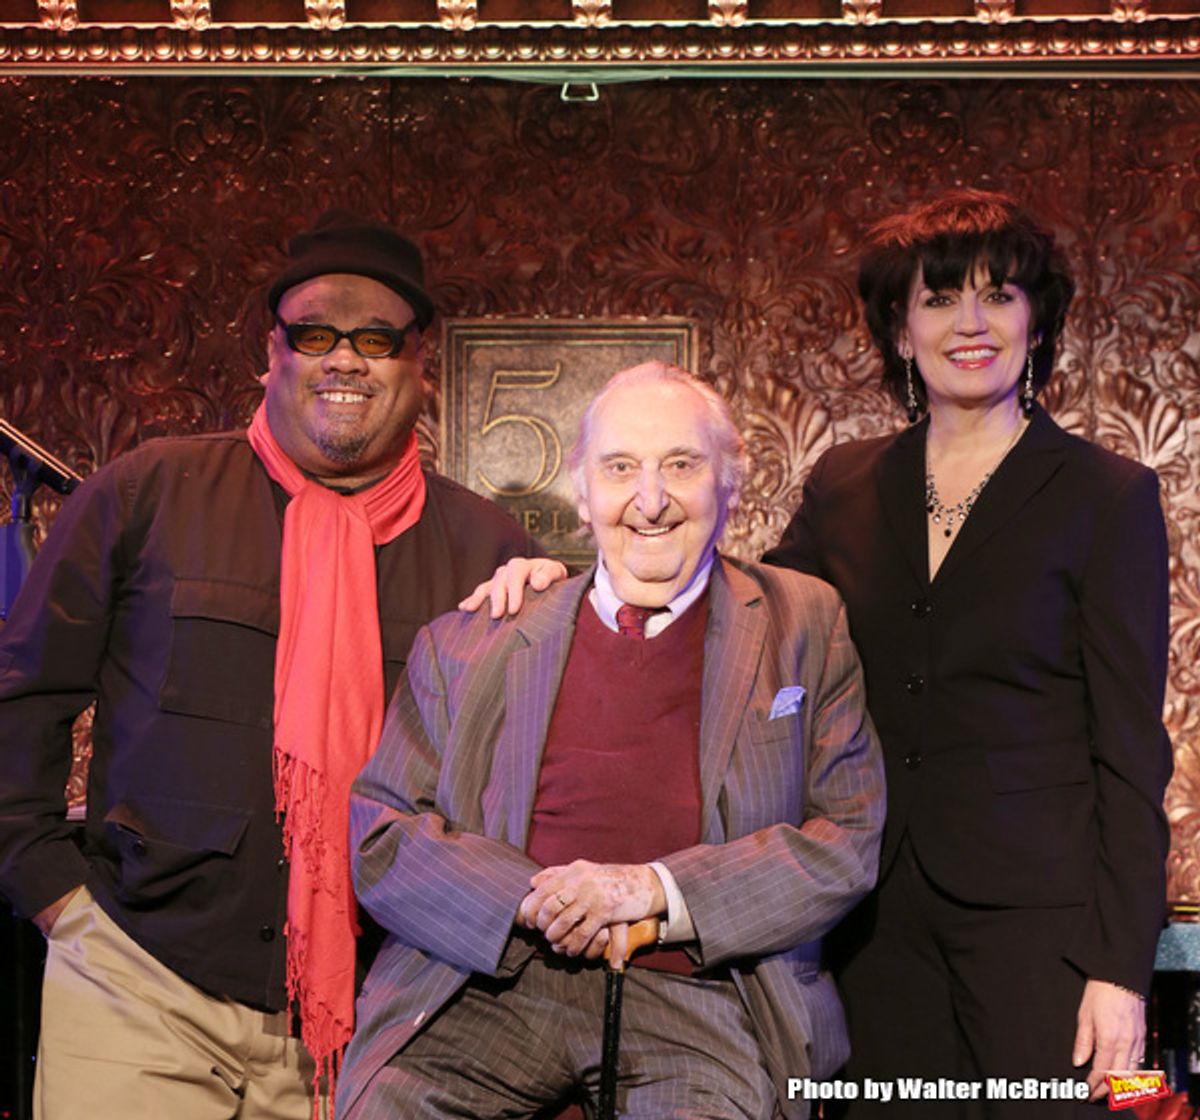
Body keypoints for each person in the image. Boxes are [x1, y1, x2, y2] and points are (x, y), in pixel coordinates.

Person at [0, 210, 562, 1120]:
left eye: (376, 337)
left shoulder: (487, 553)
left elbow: (535, 775)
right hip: (137, 985)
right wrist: (51, 894)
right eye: (316, 333)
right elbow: (21, 696)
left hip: (378, 1015)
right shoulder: (145, 493)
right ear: (274, 353)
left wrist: (562, 608)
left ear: (420, 365)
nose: (345, 359)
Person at [335, 361, 885, 1120]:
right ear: (582, 492)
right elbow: (382, 833)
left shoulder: (804, 624)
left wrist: (655, 890)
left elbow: (847, 840)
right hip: (491, 989)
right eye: (620, 468)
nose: (650, 501)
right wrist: (529, 899)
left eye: (681, 466)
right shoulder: (475, 637)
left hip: (701, 1000)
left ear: (730, 482)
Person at [761, 188, 1173, 1115]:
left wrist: (1122, 970)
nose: (971, 322)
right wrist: (567, 582)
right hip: (877, 916)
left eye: (999, 294)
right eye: (940, 299)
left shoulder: (1106, 497)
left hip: (1044, 926)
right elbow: (751, 618)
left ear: (1038, 320)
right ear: (901, 332)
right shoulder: (846, 483)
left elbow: (1130, 749)